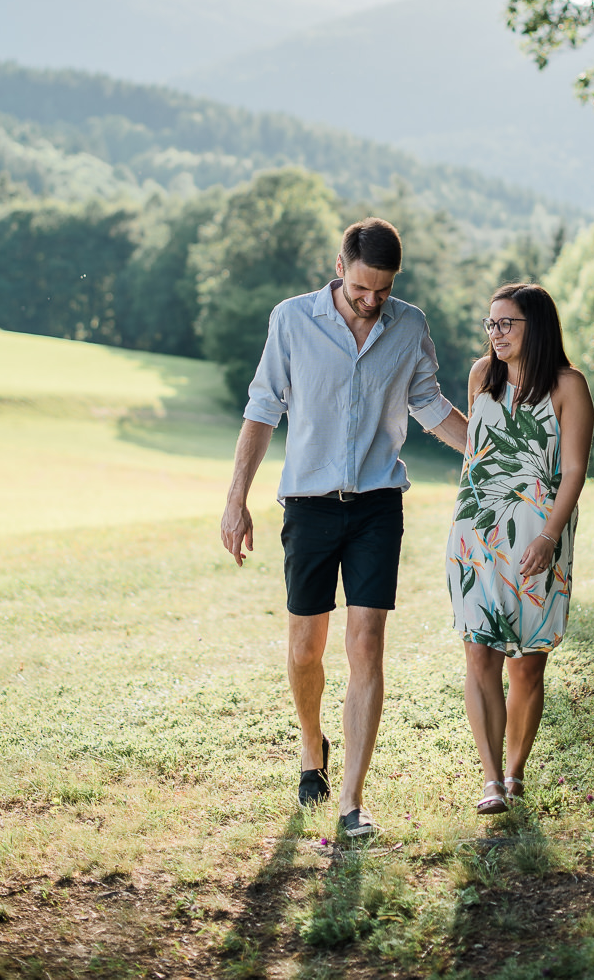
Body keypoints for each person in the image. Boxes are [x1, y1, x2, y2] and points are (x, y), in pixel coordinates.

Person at [220, 217, 468, 839]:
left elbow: (429, 403)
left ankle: (352, 800)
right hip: (309, 505)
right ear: (339, 268)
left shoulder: (408, 326)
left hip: (378, 504)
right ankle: (313, 748)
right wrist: (235, 500)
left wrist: (491, 452)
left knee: (366, 644)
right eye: (361, 288)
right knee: (306, 649)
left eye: (384, 289)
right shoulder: (291, 321)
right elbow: (262, 409)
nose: (372, 300)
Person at [447, 282, 594, 814]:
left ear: (538, 326)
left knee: (528, 665)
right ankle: (490, 781)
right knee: (479, 653)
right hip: (476, 538)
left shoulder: (567, 386)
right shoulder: (481, 377)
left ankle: (514, 774)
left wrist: (549, 537)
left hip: (540, 540)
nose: (496, 333)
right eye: (491, 323)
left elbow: (573, 470)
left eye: (507, 323)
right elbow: (478, 454)